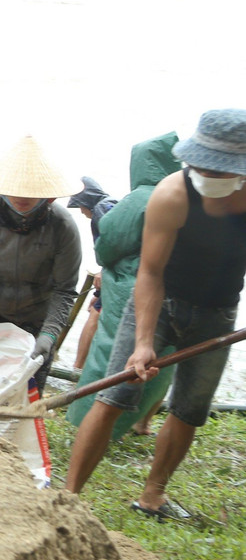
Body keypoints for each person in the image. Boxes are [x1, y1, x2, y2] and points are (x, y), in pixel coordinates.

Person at [65, 111, 246, 519]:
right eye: (200, 165)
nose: (206, 174)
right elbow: (149, 272)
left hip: (218, 311)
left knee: (190, 410)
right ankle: (68, 498)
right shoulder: (173, 194)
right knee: (114, 395)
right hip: (160, 300)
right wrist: (143, 342)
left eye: (218, 168)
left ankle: (153, 496)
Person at [0, 135, 82, 394]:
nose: (22, 196)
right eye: (16, 188)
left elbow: (65, 291)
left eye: (31, 190)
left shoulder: (63, 227)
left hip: (35, 318)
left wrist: (49, 334)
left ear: (49, 195)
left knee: (22, 395)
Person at [66, 134, 180, 437]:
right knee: (162, 360)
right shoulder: (187, 197)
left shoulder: (140, 199)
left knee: (111, 355)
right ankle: (141, 422)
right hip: (175, 293)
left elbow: (108, 245)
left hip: (133, 290)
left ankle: (88, 422)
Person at [67, 175, 118, 370]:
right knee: (94, 310)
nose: (80, 211)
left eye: (80, 205)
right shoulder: (109, 205)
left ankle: (78, 368)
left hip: (115, 275)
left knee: (95, 315)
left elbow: (113, 244)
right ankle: (85, 366)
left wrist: (104, 271)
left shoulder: (101, 209)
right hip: (115, 274)